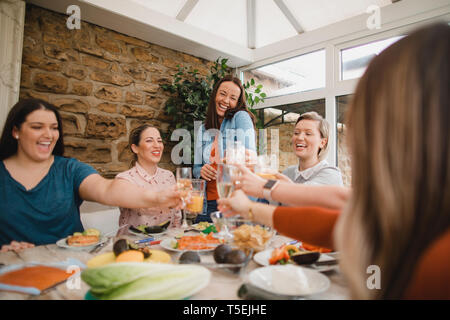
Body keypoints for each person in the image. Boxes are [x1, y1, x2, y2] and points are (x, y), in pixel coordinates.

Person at [218, 23, 450, 299]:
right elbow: (342, 221)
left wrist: (263, 190)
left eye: (363, 111)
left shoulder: (439, 261)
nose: (352, 130)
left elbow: (337, 204)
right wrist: (258, 197)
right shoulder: (416, 212)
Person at [0, 99, 181, 251]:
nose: (48, 135)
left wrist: (158, 197)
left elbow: (108, 188)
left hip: (72, 266)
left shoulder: (70, 169)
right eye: (37, 127)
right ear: (16, 131)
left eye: (54, 128)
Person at [193, 75, 257, 222]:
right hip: (207, 203)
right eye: (223, 94)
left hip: (233, 202)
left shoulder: (240, 117)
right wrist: (201, 171)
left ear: (237, 102)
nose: (226, 101)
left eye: (233, 98)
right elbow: (196, 168)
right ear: (215, 94)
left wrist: (227, 162)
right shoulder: (203, 129)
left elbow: (249, 158)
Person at [115, 125, 182, 235]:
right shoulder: (124, 179)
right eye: (149, 141)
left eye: (159, 141)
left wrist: (176, 239)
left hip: (166, 244)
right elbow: (140, 205)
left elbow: (176, 216)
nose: (157, 146)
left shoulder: (168, 176)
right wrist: (163, 201)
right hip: (133, 246)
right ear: (135, 148)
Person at [282, 111, 343, 186]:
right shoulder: (288, 172)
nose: (300, 137)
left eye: (308, 134)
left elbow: (301, 194)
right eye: (296, 133)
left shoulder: (331, 175)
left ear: (323, 142)